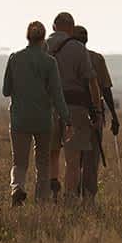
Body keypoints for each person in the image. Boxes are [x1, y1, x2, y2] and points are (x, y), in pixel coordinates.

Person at [2, 20, 72, 205]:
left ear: (28, 37)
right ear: (43, 38)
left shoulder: (14, 58)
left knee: (19, 162)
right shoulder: (49, 62)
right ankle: (42, 201)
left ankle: (17, 187)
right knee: (43, 163)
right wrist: (67, 119)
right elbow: (57, 94)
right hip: (43, 119)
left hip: (19, 119)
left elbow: (6, 90)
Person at [46, 11, 102, 202]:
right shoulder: (78, 49)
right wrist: (97, 110)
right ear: (71, 28)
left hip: (48, 108)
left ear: (53, 27)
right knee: (72, 159)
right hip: (75, 108)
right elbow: (91, 81)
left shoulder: (41, 47)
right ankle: (69, 199)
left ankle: (51, 191)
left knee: (50, 154)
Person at [72, 25, 119, 201]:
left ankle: (73, 195)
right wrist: (113, 115)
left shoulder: (62, 58)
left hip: (70, 114)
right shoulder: (96, 58)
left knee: (74, 158)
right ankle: (89, 198)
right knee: (91, 160)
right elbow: (105, 89)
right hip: (93, 114)